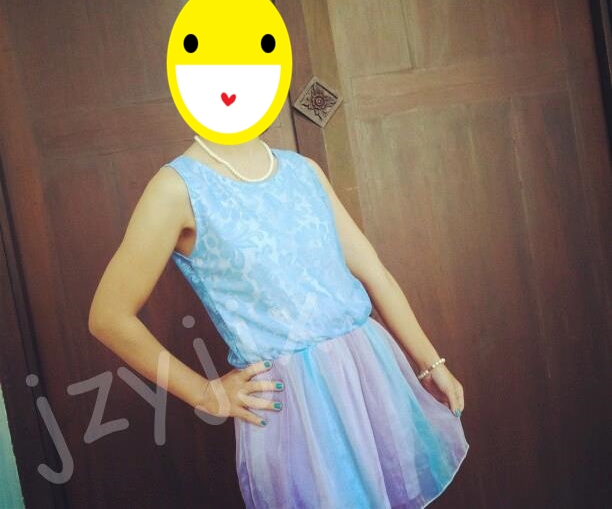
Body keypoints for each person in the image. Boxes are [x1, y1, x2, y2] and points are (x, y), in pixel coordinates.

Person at [89, 134, 469, 508]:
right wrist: (204, 393)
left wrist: (430, 362)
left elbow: (376, 274)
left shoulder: (304, 171)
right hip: (298, 407)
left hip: (369, 377)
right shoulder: (176, 190)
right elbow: (109, 316)